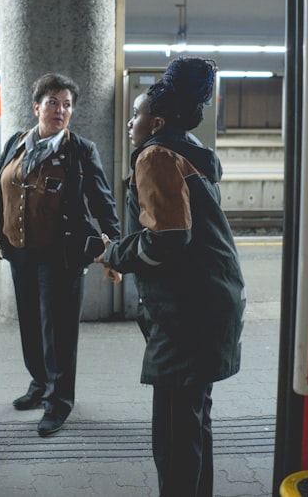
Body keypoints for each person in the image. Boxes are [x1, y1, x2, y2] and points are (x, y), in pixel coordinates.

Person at [94, 57, 246, 497]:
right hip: (212, 303)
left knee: (175, 438)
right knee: (194, 424)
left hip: (189, 314)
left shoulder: (156, 155)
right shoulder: (189, 149)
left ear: (156, 121)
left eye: (136, 113)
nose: (129, 121)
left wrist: (113, 253)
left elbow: (169, 238)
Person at [0, 72, 121, 437]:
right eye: (53, 102)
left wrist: (115, 251)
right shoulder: (16, 143)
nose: (61, 110)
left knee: (59, 331)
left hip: (60, 256)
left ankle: (59, 402)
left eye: (67, 104)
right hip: (20, 252)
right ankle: (40, 384)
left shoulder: (80, 150)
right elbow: (0, 192)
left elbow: (103, 204)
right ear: (37, 107)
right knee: (30, 323)